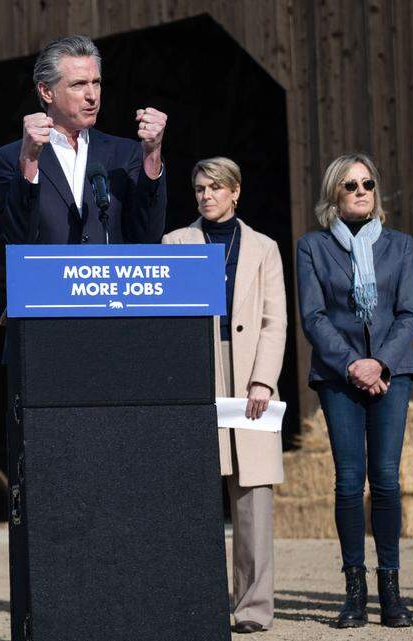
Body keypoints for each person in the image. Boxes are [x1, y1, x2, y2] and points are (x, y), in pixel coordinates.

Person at [162, 157, 287, 634]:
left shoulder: (264, 248)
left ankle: (253, 609)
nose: (207, 195)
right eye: (199, 188)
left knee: (254, 495)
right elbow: (166, 316)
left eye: (216, 187)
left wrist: (263, 380)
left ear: (236, 191)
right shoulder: (175, 243)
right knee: (195, 493)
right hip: (198, 371)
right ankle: (200, 605)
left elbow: (275, 321)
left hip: (251, 371)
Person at [296, 153, 413, 628]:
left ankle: (391, 591)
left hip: (392, 373)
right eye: (350, 185)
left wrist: (380, 362)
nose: (361, 191)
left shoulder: (400, 245)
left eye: (367, 183)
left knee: (386, 479)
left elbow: (408, 313)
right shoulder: (313, 247)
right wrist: (353, 365)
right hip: (339, 375)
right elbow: (313, 316)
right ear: (334, 193)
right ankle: (355, 593)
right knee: (349, 481)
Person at [0, 35, 167, 245]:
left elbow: (148, 236)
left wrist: (153, 154)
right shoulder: (7, 159)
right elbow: (17, 239)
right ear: (46, 92)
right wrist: (29, 160)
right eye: (79, 84)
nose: (92, 96)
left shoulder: (127, 154)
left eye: (96, 83)